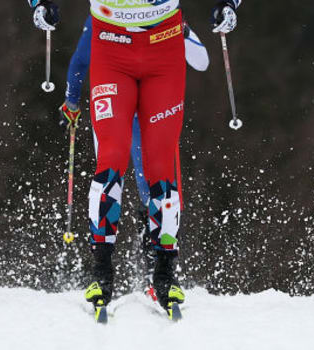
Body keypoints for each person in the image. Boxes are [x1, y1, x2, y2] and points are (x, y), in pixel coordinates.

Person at [20, 0, 250, 319]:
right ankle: (100, 270)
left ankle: (164, 274)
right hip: (112, 57)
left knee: (163, 171)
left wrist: (230, 2)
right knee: (111, 162)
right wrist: (40, 3)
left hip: (165, 59)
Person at [58, 16, 210, 285]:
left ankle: (156, 272)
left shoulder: (165, 15)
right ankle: (100, 271)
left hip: (149, 116)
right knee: (109, 182)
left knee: (151, 188)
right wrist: (71, 102)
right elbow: (81, 60)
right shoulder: (104, 13)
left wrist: (182, 30)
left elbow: (202, 61)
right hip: (113, 108)